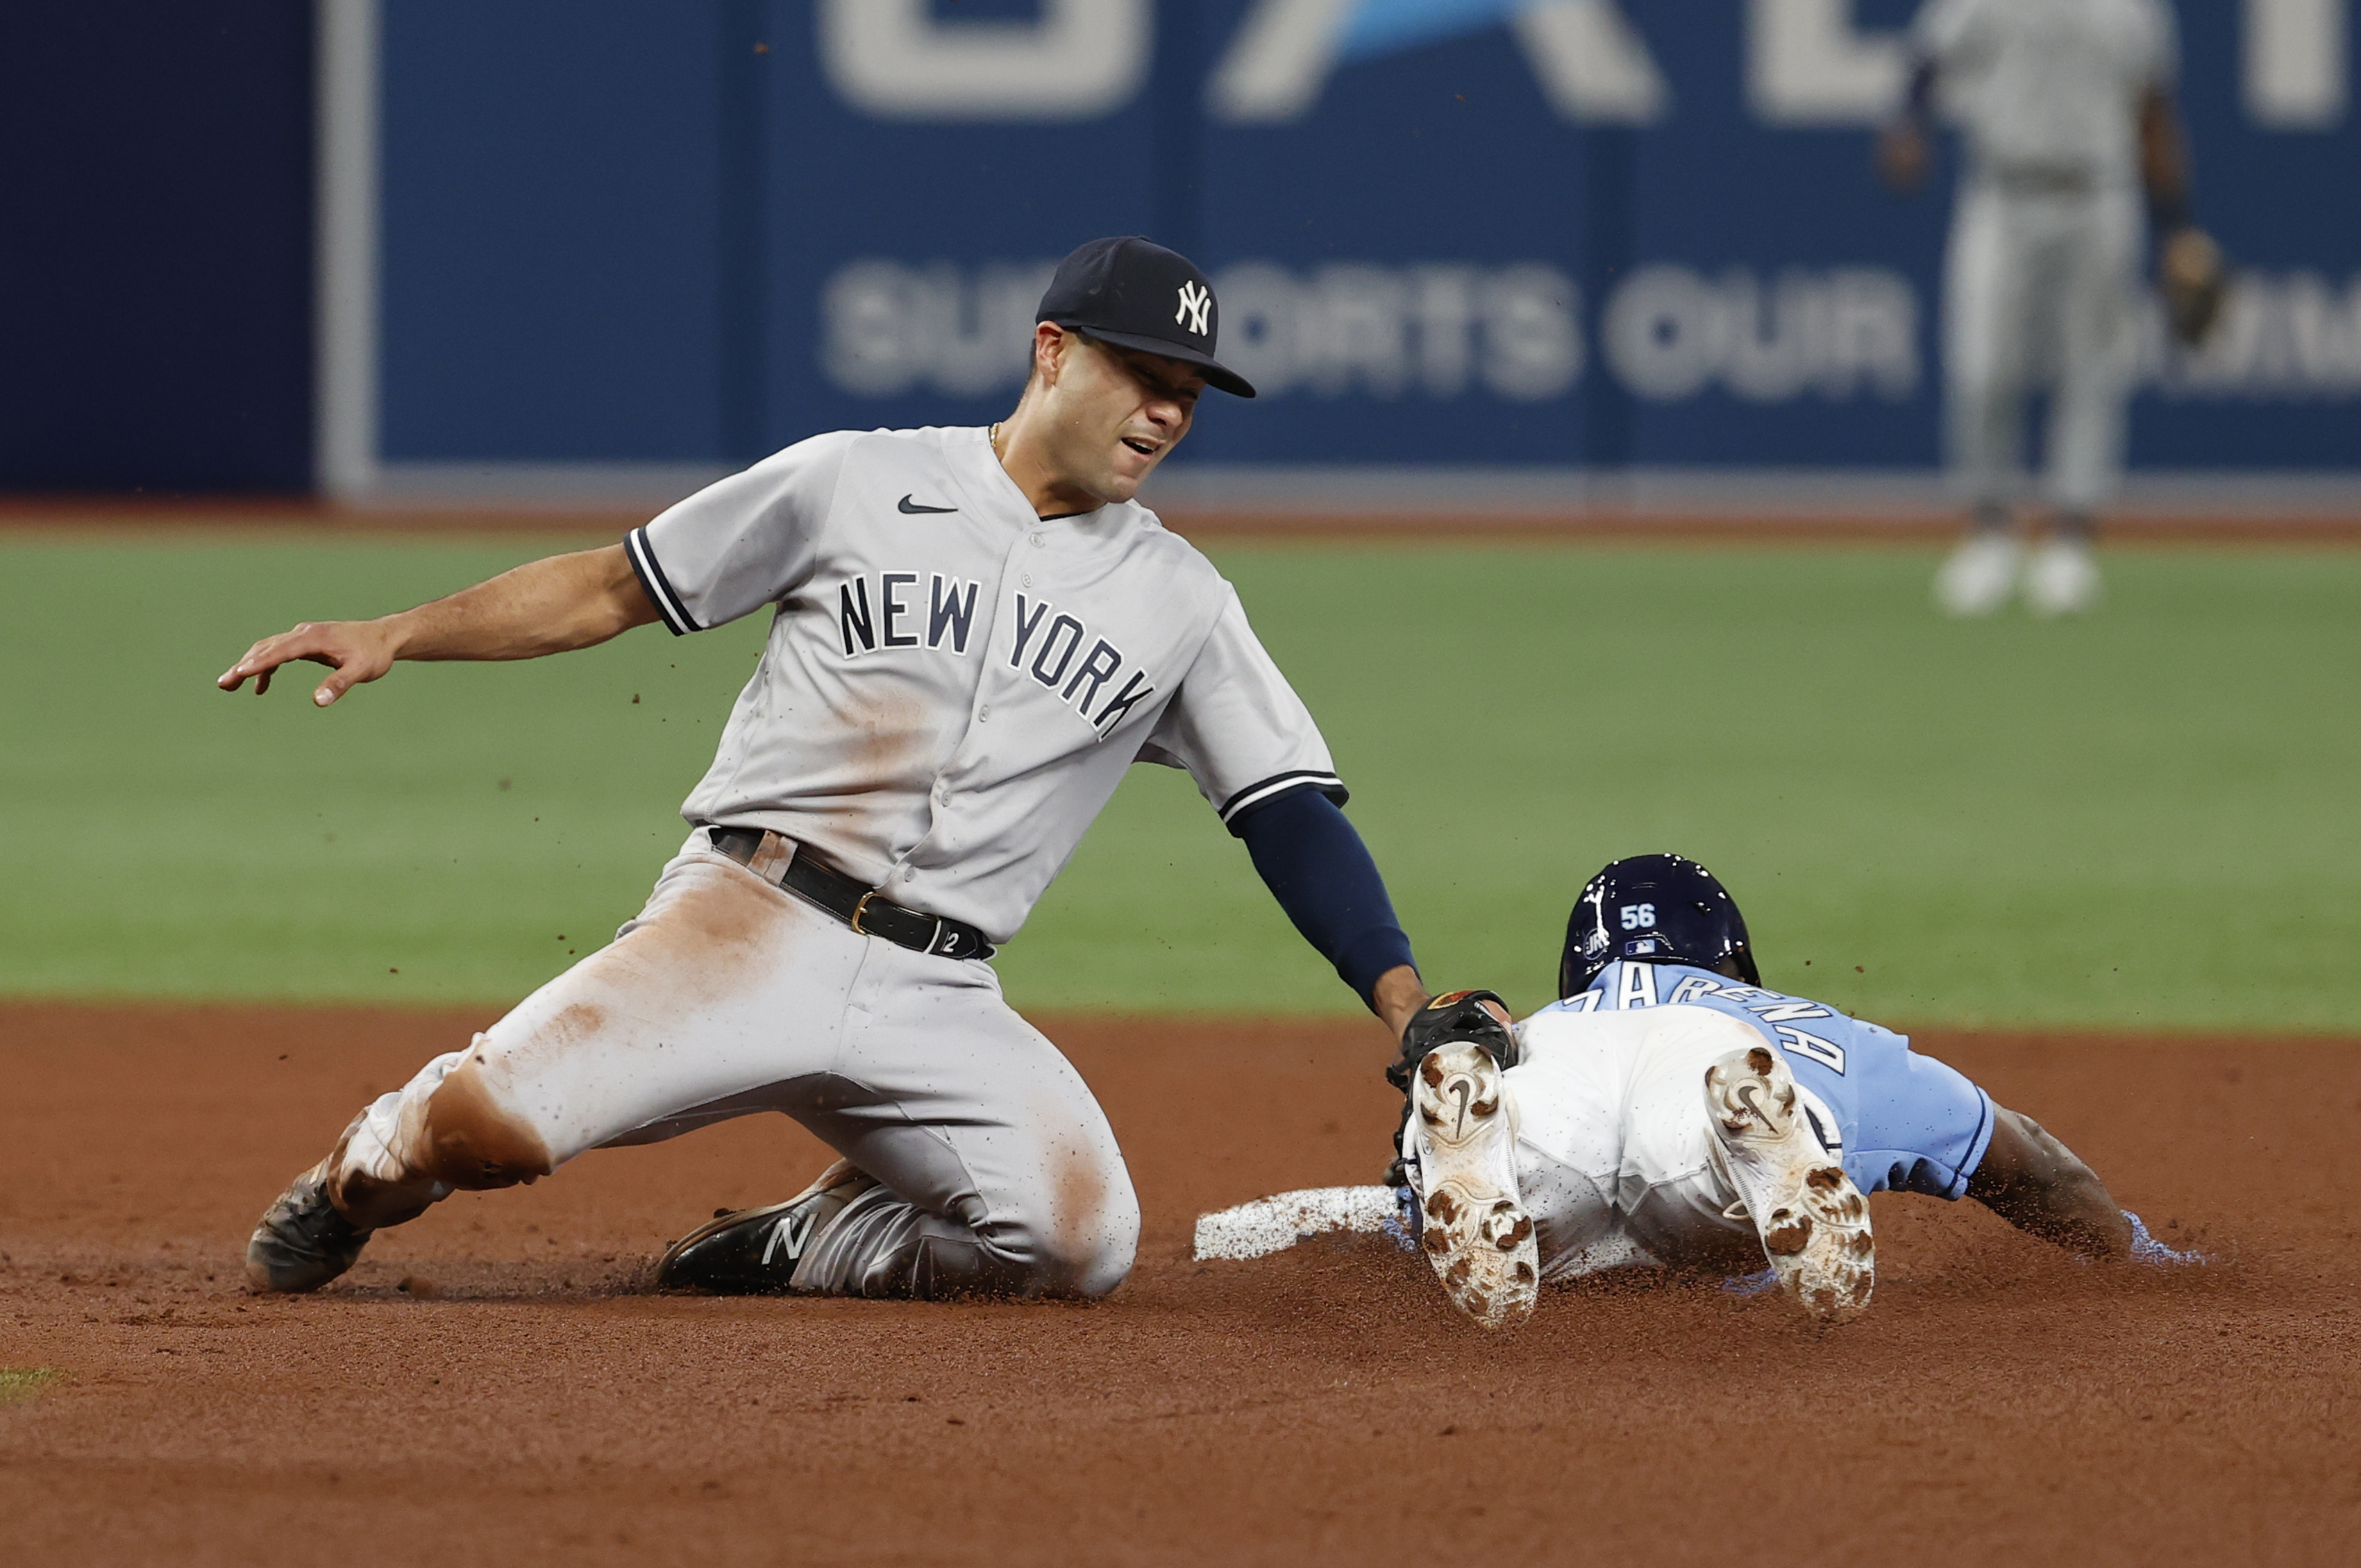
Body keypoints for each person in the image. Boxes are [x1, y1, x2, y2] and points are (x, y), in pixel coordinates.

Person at [221, 236, 1437, 1301]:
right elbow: (613, 585)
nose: (1168, 413)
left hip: (938, 994)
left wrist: (1404, 1001)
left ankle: (824, 1232)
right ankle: (379, 1149)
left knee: (1079, 1245)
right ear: (1053, 351)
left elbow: (1285, 810)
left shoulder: (1182, 599)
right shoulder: (852, 479)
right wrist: (400, 630)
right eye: (1145, 377)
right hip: (745, 922)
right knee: (486, 1133)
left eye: (1189, 394)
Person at [1388, 854, 2137, 1329]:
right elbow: (2031, 1164)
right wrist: (2135, 1254)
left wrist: (1412, 1181)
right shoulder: (1816, 1027)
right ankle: (1744, 1140)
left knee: (1532, 1145)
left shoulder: (1533, 1030)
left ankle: (1496, 1156)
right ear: (1734, 958)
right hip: (1715, 1063)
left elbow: (1409, 1226)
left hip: (1562, 1073)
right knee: (1698, 1152)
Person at [1878, 0, 2206, 618]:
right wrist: (1906, 124)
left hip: (2100, 194)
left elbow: (2153, 114)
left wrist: (2177, 227)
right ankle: (1988, 531)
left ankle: (2070, 538)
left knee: (2092, 369)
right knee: (1981, 367)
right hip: (2001, 192)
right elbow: (1924, 60)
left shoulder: (2130, 9)